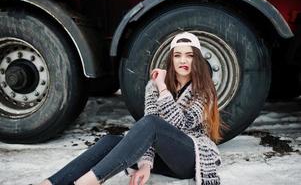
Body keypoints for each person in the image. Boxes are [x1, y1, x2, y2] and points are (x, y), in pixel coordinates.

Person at [38, 31, 225, 185]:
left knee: (151, 123)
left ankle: (89, 181)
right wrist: (146, 164)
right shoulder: (153, 86)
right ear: (171, 59)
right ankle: (51, 183)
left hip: (190, 158)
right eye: (177, 55)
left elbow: (180, 126)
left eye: (189, 55)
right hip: (163, 159)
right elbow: (152, 131)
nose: (183, 60)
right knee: (111, 141)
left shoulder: (205, 91)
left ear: (198, 59)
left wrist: (163, 88)